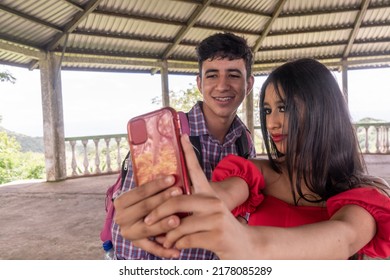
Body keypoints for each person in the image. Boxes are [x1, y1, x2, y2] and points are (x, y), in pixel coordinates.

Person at [114, 58, 390, 259]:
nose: (272, 123)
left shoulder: (364, 196)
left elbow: (344, 238)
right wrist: (168, 211)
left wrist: (245, 241)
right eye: (268, 111)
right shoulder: (256, 173)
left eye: (284, 107)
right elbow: (218, 197)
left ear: (323, 110)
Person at [111, 32, 257, 259]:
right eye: (211, 75)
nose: (222, 86)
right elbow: (130, 235)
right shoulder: (163, 140)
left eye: (233, 75)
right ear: (199, 83)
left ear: (248, 84)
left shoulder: (244, 141)